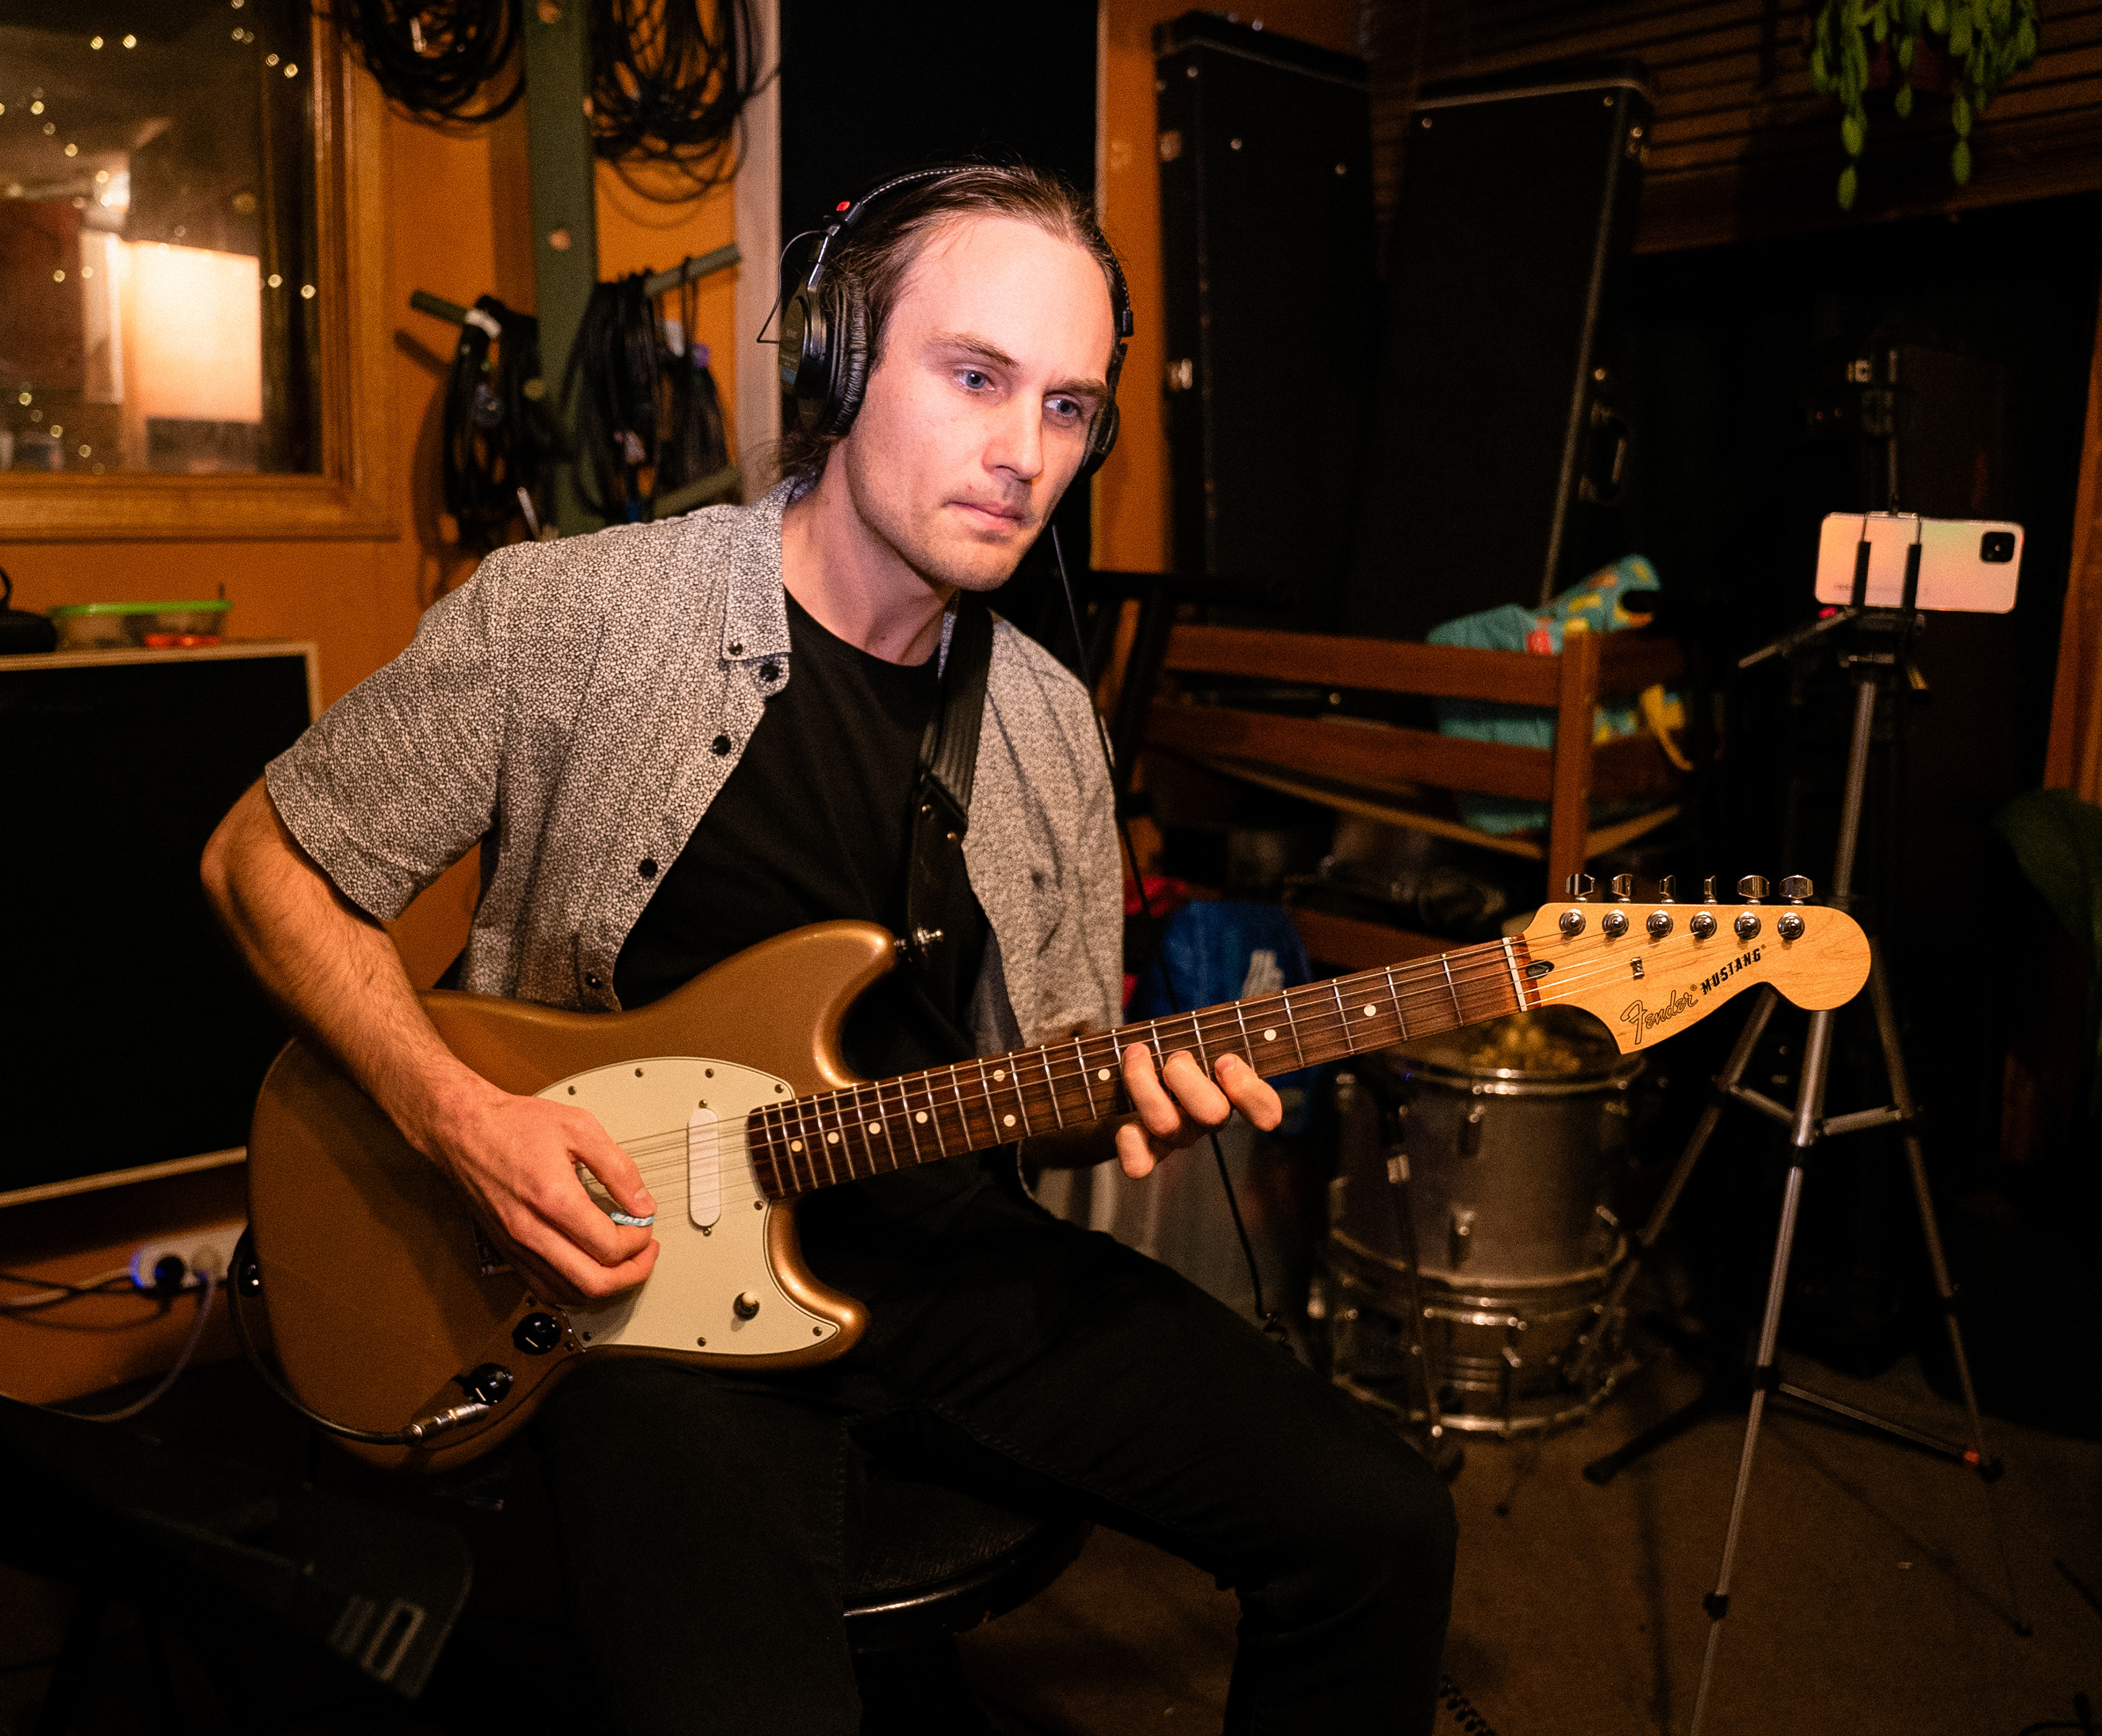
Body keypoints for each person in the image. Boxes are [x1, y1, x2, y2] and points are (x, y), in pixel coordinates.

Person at [201, 163, 1455, 1734]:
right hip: (635, 1285)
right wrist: (462, 1115)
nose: (1025, 453)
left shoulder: (1051, 723)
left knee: (1381, 1524)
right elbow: (263, 860)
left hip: (944, 1255)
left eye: (1069, 407)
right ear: (841, 362)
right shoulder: (579, 617)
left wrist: (1134, 1097)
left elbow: (1056, 1089)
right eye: (978, 376)